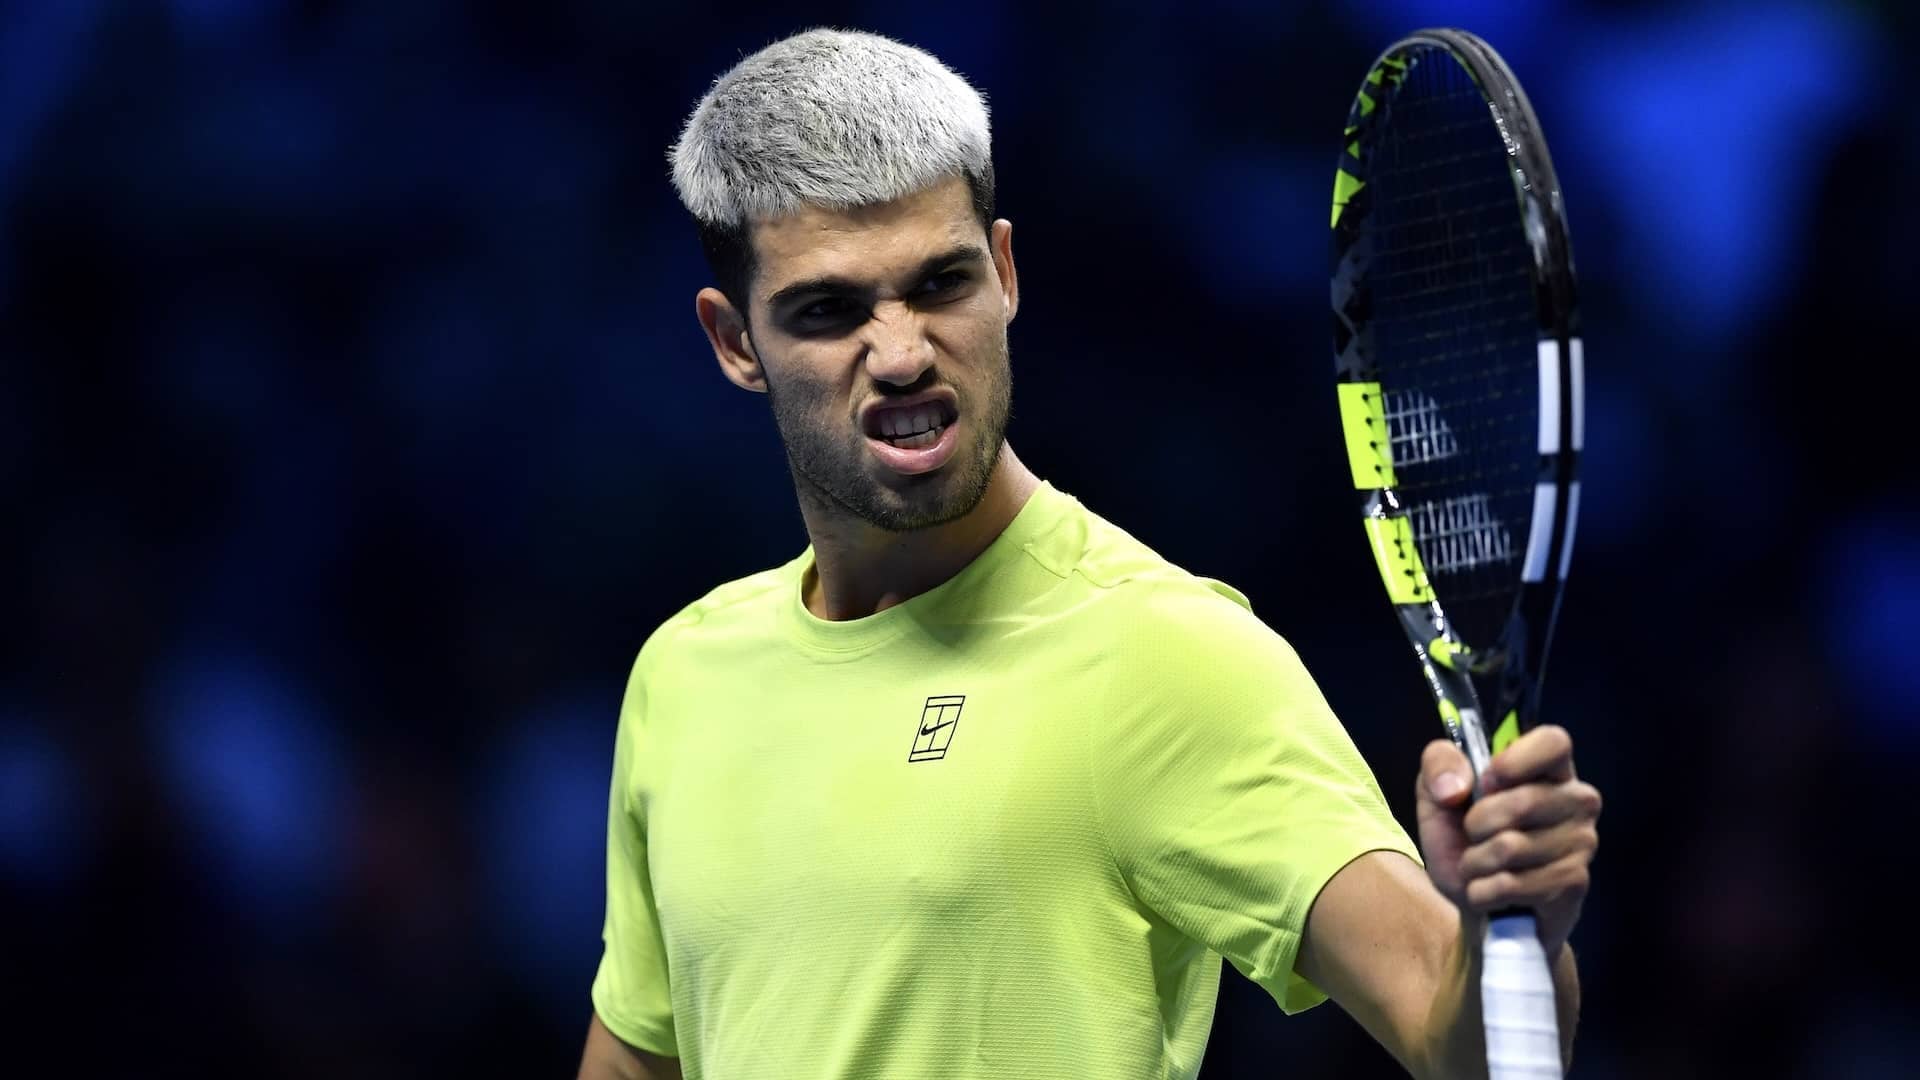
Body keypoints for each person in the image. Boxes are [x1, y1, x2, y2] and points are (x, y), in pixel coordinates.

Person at [577, 28, 1601, 1080]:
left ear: (1006, 272)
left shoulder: (1165, 653)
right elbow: (632, 1062)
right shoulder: (684, 674)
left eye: (940, 284)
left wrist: (1507, 932)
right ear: (735, 340)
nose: (901, 354)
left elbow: (1457, 1040)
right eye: (829, 311)